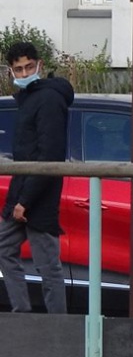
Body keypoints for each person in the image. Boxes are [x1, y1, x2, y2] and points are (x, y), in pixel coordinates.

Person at [0, 42, 74, 314]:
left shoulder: (48, 99)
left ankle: (57, 326)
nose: (24, 72)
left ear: (39, 65)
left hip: (37, 196)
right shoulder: (30, 98)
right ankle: (23, 314)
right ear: (11, 71)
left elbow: (49, 154)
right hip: (22, 192)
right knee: (4, 248)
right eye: (18, 69)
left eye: (29, 66)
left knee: (48, 266)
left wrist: (26, 201)